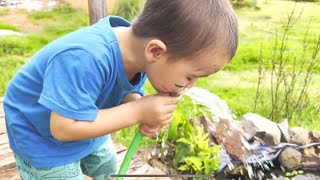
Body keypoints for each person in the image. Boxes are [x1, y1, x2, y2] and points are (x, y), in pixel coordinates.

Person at [3, 0, 238, 179]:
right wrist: (138, 111)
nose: (190, 87)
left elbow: (120, 90)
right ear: (156, 51)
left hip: (82, 119)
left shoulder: (140, 56)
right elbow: (63, 128)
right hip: (39, 133)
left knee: (107, 166)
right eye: (190, 76)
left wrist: (137, 102)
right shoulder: (84, 58)